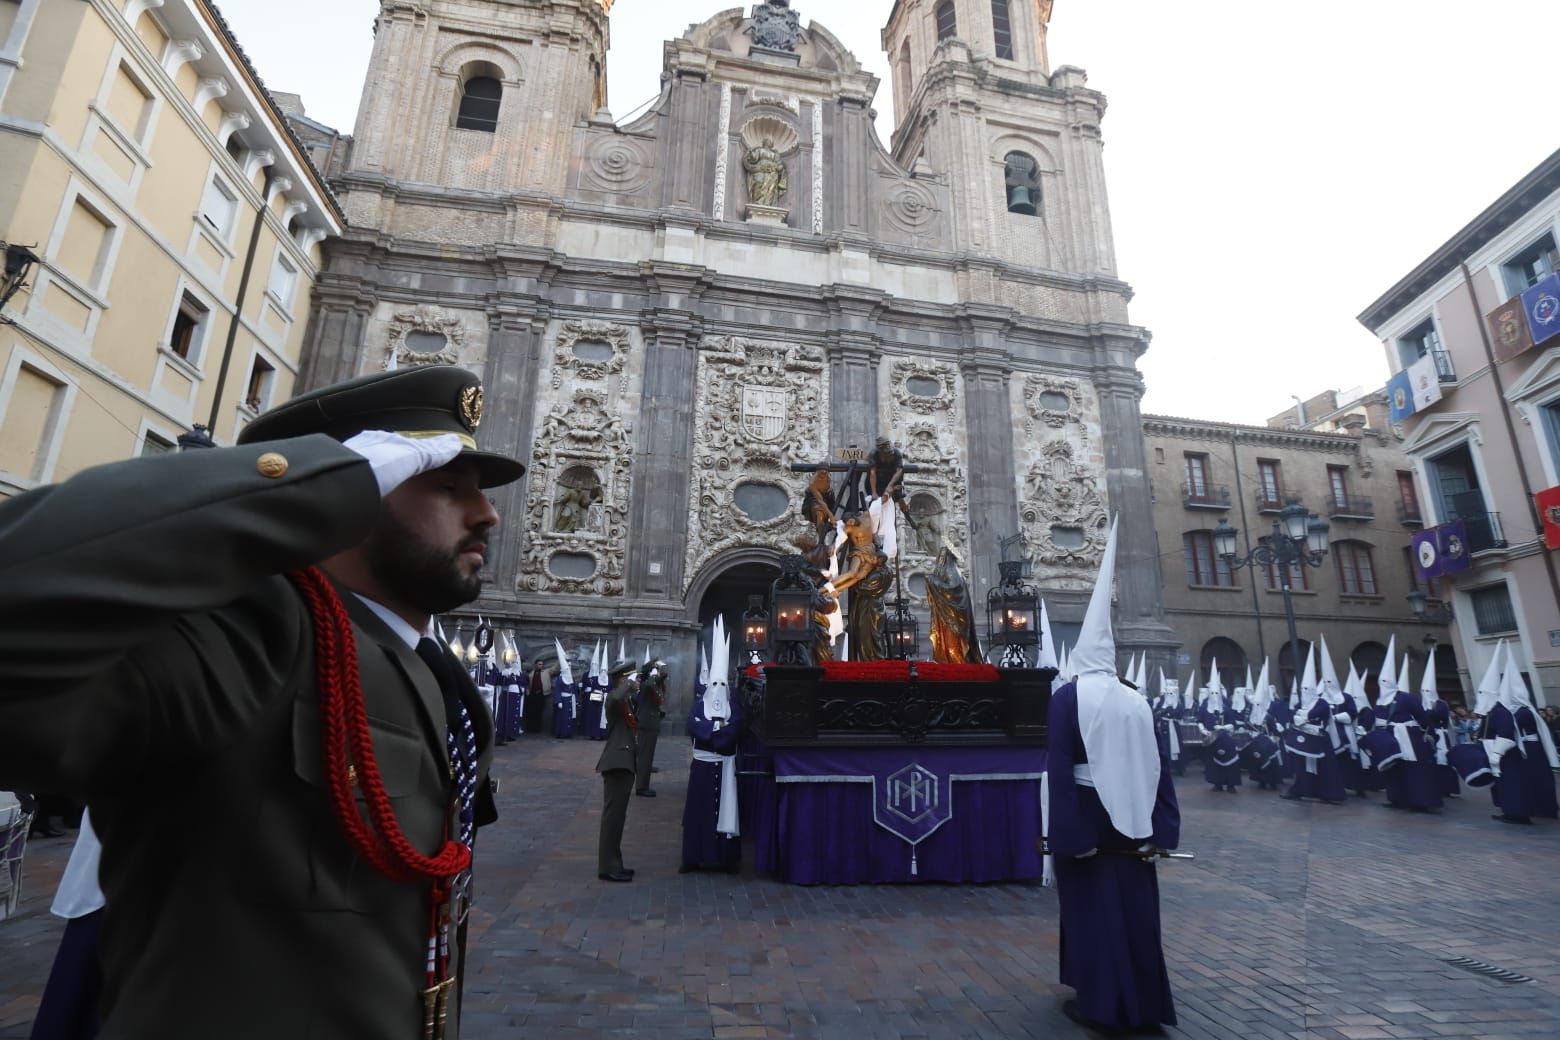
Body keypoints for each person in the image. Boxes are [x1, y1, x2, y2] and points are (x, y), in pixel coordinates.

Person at [0, 364, 520, 1038]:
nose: (487, 513)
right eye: (447, 486)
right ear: (355, 493)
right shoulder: (244, 633)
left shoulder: (427, 666)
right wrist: (302, 482)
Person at [1045, 518, 1179, 1034]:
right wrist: (1164, 829)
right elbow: (1158, 765)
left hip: (1088, 823)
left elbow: (1059, 769)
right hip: (1137, 822)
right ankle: (1145, 1003)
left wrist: (1066, 837)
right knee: (1138, 914)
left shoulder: (1066, 698)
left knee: (1091, 912)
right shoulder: (1137, 699)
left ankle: (1102, 1003)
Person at [681, 618, 743, 874]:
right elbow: (693, 725)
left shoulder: (733, 704)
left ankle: (725, 859)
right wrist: (717, 731)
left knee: (724, 811)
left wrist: (714, 733)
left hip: (724, 766)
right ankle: (693, 857)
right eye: (714, 684)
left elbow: (736, 727)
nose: (717, 689)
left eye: (722, 684)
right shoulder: (699, 704)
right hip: (703, 768)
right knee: (698, 812)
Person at [595, 659, 640, 881]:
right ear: (622, 680)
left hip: (624, 761)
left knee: (618, 818)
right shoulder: (615, 699)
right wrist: (628, 685)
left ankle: (615, 861)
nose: (636, 682)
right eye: (631, 678)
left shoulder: (627, 702)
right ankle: (607, 867)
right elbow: (614, 697)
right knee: (612, 818)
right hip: (616, 762)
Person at [634, 661, 667, 797]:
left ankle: (643, 784)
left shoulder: (652, 684)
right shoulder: (647, 683)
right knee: (644, 758)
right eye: (656, 670)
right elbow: (651, 684)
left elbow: (662, 679)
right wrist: (654, 674)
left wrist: (659, 673)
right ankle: (641, 787)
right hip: (646, 724)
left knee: (647, 757)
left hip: (650, 724)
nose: (658, 673)